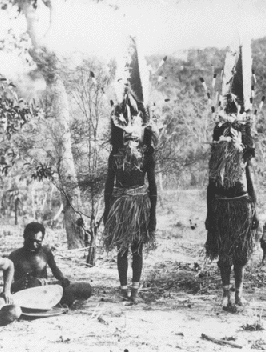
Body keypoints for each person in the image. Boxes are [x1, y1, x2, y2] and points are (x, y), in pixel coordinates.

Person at [204, 38, 259, 312]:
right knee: (224, 252)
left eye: (237, 107)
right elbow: (212, 179)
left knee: (240, 252)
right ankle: (225, 295)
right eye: (229, 106)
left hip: (240, 202)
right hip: (222, 204)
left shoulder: (245, 136)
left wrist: (255, 208)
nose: (233, 109)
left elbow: (248, 168)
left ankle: (238, 293)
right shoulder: (217, 134)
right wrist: (209, 212)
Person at [103, 36, 157, 305]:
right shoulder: (115, 157)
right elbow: (107, 188)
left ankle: (136, 288)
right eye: (126, 136)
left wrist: (152, 216)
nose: (130, 140)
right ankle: (123, 287)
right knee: (122, 248)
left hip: (140, 204)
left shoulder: (147, 156)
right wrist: (106, 212)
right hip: (121, 204)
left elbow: (154, 188)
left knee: (137, 248)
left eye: (134, 136)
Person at [9, 222, 70, 293]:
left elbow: (54, 269)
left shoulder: (46, 252)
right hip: (23, 294)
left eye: (38, 242)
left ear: (42, 240)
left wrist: (62, 278)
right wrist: (17, 285)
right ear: (24, 236)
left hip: (43, 293)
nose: (34, 245)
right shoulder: (15, 256)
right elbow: (7, 286)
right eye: (31, 240)